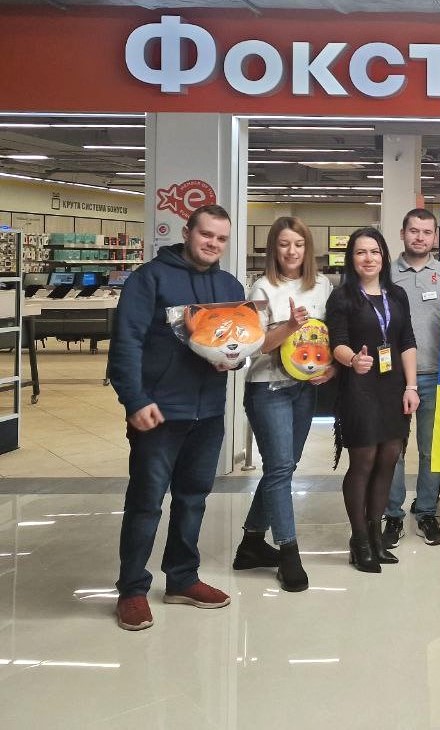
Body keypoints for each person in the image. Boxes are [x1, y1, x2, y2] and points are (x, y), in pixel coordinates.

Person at [109, 203, 245, 631]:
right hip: (158, 413)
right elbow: (126, 342)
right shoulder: (148, 279)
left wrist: (234, 360)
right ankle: (132, 589)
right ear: (187, 232)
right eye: (206, 234)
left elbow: (238, 342)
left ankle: (182, 578)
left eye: (221, 238)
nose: (213, 244)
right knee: (146, 502)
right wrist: (134, 400)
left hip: (209, 413)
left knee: (193, 499)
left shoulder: (229, 285)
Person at [234, 216, 333, 593]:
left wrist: (328, 368)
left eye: (299, 244)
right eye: (284, 244)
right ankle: (289, 552)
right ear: (273, 249)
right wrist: (289, 326)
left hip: (304, 389)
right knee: (278, 469)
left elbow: (325, 337)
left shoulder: (322, 285)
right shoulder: (262, 287)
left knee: (285, 467)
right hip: (268, 388)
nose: (292, 251)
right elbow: (256, 346)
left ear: (308, 248)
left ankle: (251, 543)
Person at [327, 227, 419, 573]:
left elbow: (406, 340)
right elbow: (336, 342)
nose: (368, 258)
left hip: (393, 387)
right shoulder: (343, 297)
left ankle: (377, 537)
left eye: (375, 252)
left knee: (388, 460)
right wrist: (353, 359)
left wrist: (411, 387)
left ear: (384, 256)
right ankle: (360, 539)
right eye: (360, 252)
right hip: (359, 387)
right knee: (363, 462)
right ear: (351, 258)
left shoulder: (396, 295)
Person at [381, 209, 440, 549]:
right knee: (394, 450)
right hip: (393, 377)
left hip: (436, 374)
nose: (420, 237)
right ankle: (393, 513)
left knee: (431, 450)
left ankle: (427, 510)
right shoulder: (385, 275)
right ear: (403, 233)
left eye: (427, 232)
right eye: (414, 230)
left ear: (435, 238)